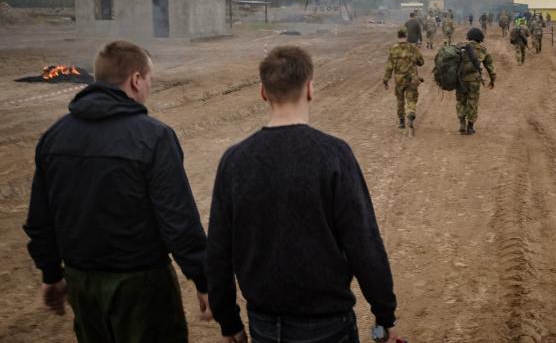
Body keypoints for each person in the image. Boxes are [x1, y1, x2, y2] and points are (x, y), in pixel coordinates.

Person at [206, 46, 401, 343]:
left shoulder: (234, 161)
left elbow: (219, 250)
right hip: (329, 324)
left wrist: (228, 321)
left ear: (262, 92)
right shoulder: (334, 155)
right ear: (310, 89)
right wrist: (384, 314)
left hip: (264, 324)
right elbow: (363, 241)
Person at [23, 40, 211, 343]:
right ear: (136, 80)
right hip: (141, 286)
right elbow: (178, 221)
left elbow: (39, 219)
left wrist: (51, 274)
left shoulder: (54, 137)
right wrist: (204, 280)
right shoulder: (153, 136)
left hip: (81, 282)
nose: (149, 86)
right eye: (149, 79)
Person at [383, 28, 425, 131]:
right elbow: (421, 62)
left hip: (399, 79)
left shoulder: (393, 49)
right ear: (406, 35)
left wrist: (385, 80)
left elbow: (389, 67)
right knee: (411, 98)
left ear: (398, 36)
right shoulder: (413, 48)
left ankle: (401, 121)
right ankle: (411, 112)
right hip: (412, 78)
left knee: (400, 99)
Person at [455, 28, 496, 135]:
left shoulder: (460, 46)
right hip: (474, 81)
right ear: (480, 38)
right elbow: (490, 67)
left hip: (460, 80)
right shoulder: (482, 49)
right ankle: (470, 126)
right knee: (472, 101)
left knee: (461, 101)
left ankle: (462, 122)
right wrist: (492, 80)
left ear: (468, 36)